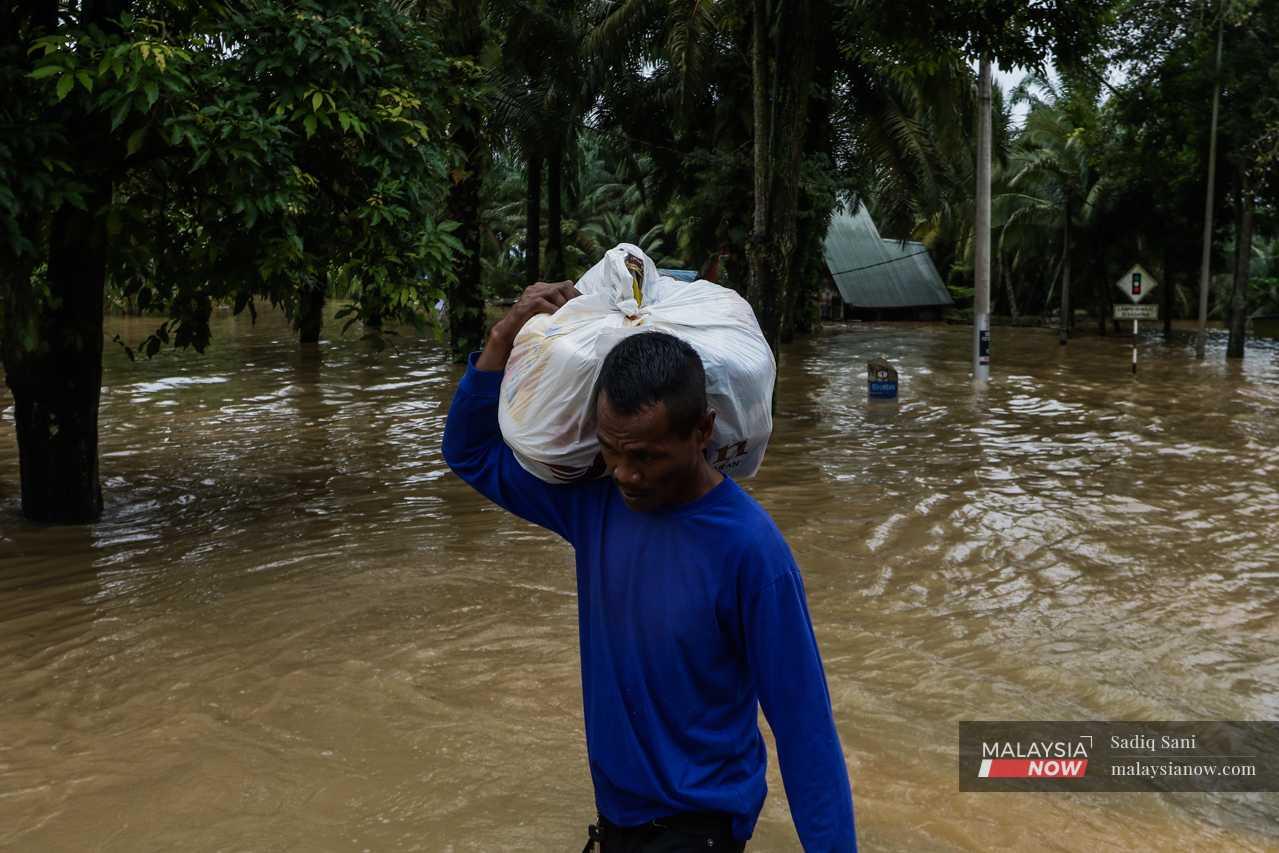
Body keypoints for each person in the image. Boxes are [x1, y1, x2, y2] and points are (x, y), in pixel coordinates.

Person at [442, 280, 856, 852]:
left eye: (646, 456)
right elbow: (470, 452)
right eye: (611, 451)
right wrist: (500, 336)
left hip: (699, 828)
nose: (626, 474)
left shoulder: (752, 553)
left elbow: (804, 727)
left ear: (702, 432)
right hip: (618, 824)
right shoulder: (597, 507)